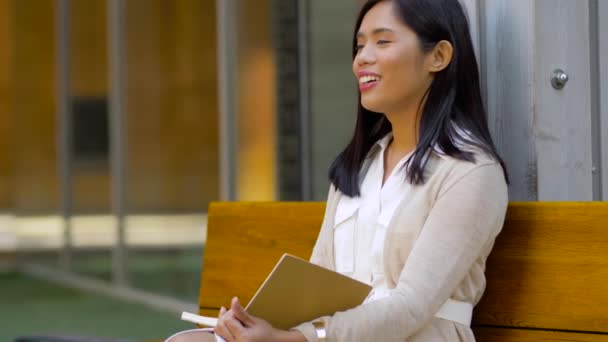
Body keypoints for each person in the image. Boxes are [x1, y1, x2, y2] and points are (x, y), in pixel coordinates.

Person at [166, 0, 508, 340]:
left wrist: (296, 339)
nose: (362, 58)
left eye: (382, 41)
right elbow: (318, 284)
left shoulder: (470, 172)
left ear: (439, 56)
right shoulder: (360, 167)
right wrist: (252, 327)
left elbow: (411, 307)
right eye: (360, 46)